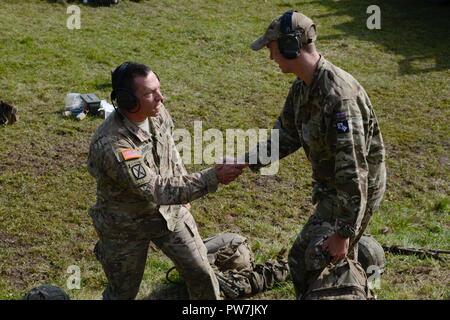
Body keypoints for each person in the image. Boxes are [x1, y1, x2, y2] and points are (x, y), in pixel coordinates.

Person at [247, 10, 386, 299]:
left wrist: (344, 233)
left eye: (272, 46)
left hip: (353, 193)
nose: (270, 55)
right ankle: (365, 264)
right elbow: (286, 135)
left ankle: (360, 283)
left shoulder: (339, 98)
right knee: (306, 257)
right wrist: (246, 161)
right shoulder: (302, 87)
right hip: (335, 189)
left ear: (290, 45)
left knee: (308, 258)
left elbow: (354, 173)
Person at [87, 61, 245, 300]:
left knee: (202, 273)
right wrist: (213, 176)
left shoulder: (157, 113)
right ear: (127, 100)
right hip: (125, 226)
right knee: (123, 293)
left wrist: (182, 190)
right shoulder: (112, 144)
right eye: (150, 93)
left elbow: (169, 151)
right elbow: (155, 189)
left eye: (158, 88)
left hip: (169, 211)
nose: (161, 97)